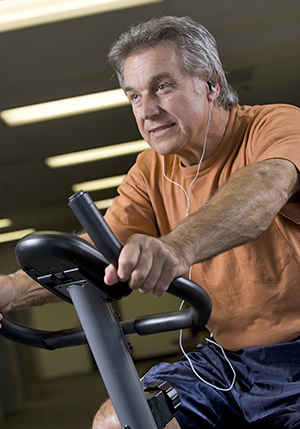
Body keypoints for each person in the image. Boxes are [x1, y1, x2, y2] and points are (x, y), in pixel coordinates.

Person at [1, 15, 300, 428]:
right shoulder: (150, 169)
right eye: (134, 96)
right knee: (119, 420)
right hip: (227, 361)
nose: (148, 111)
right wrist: (10, 289)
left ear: (210, 84)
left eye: (162, 86)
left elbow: (265, 187)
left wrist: (177, 247)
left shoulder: (274, 125)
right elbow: (96, 252)